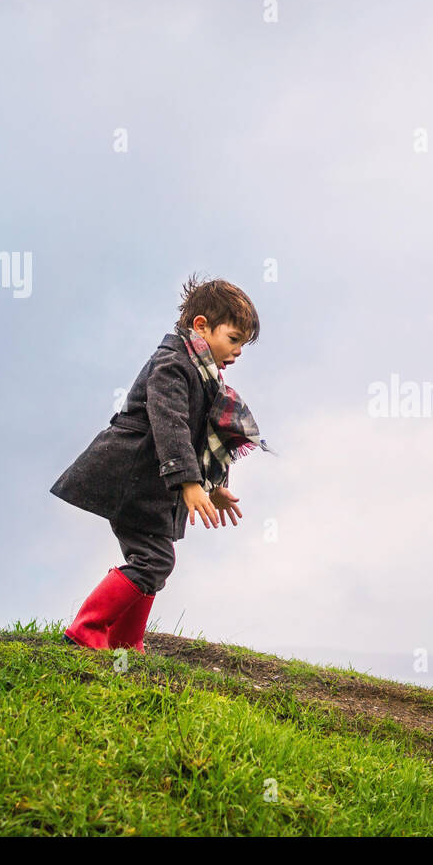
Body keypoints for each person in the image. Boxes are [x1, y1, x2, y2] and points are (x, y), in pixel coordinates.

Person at [50, 274, 273, 652]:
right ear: (201, 326)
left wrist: (212, 485)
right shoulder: (172, 364)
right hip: (131, 475)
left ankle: (125, 641)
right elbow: (170, 425)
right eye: (233, 339)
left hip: (152, 483)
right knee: (154, 558)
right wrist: (189, 483)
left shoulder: (205, 377)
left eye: (242, 344)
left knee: (153, 556)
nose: (237, 352)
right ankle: (88, 628)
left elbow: (200, 435)